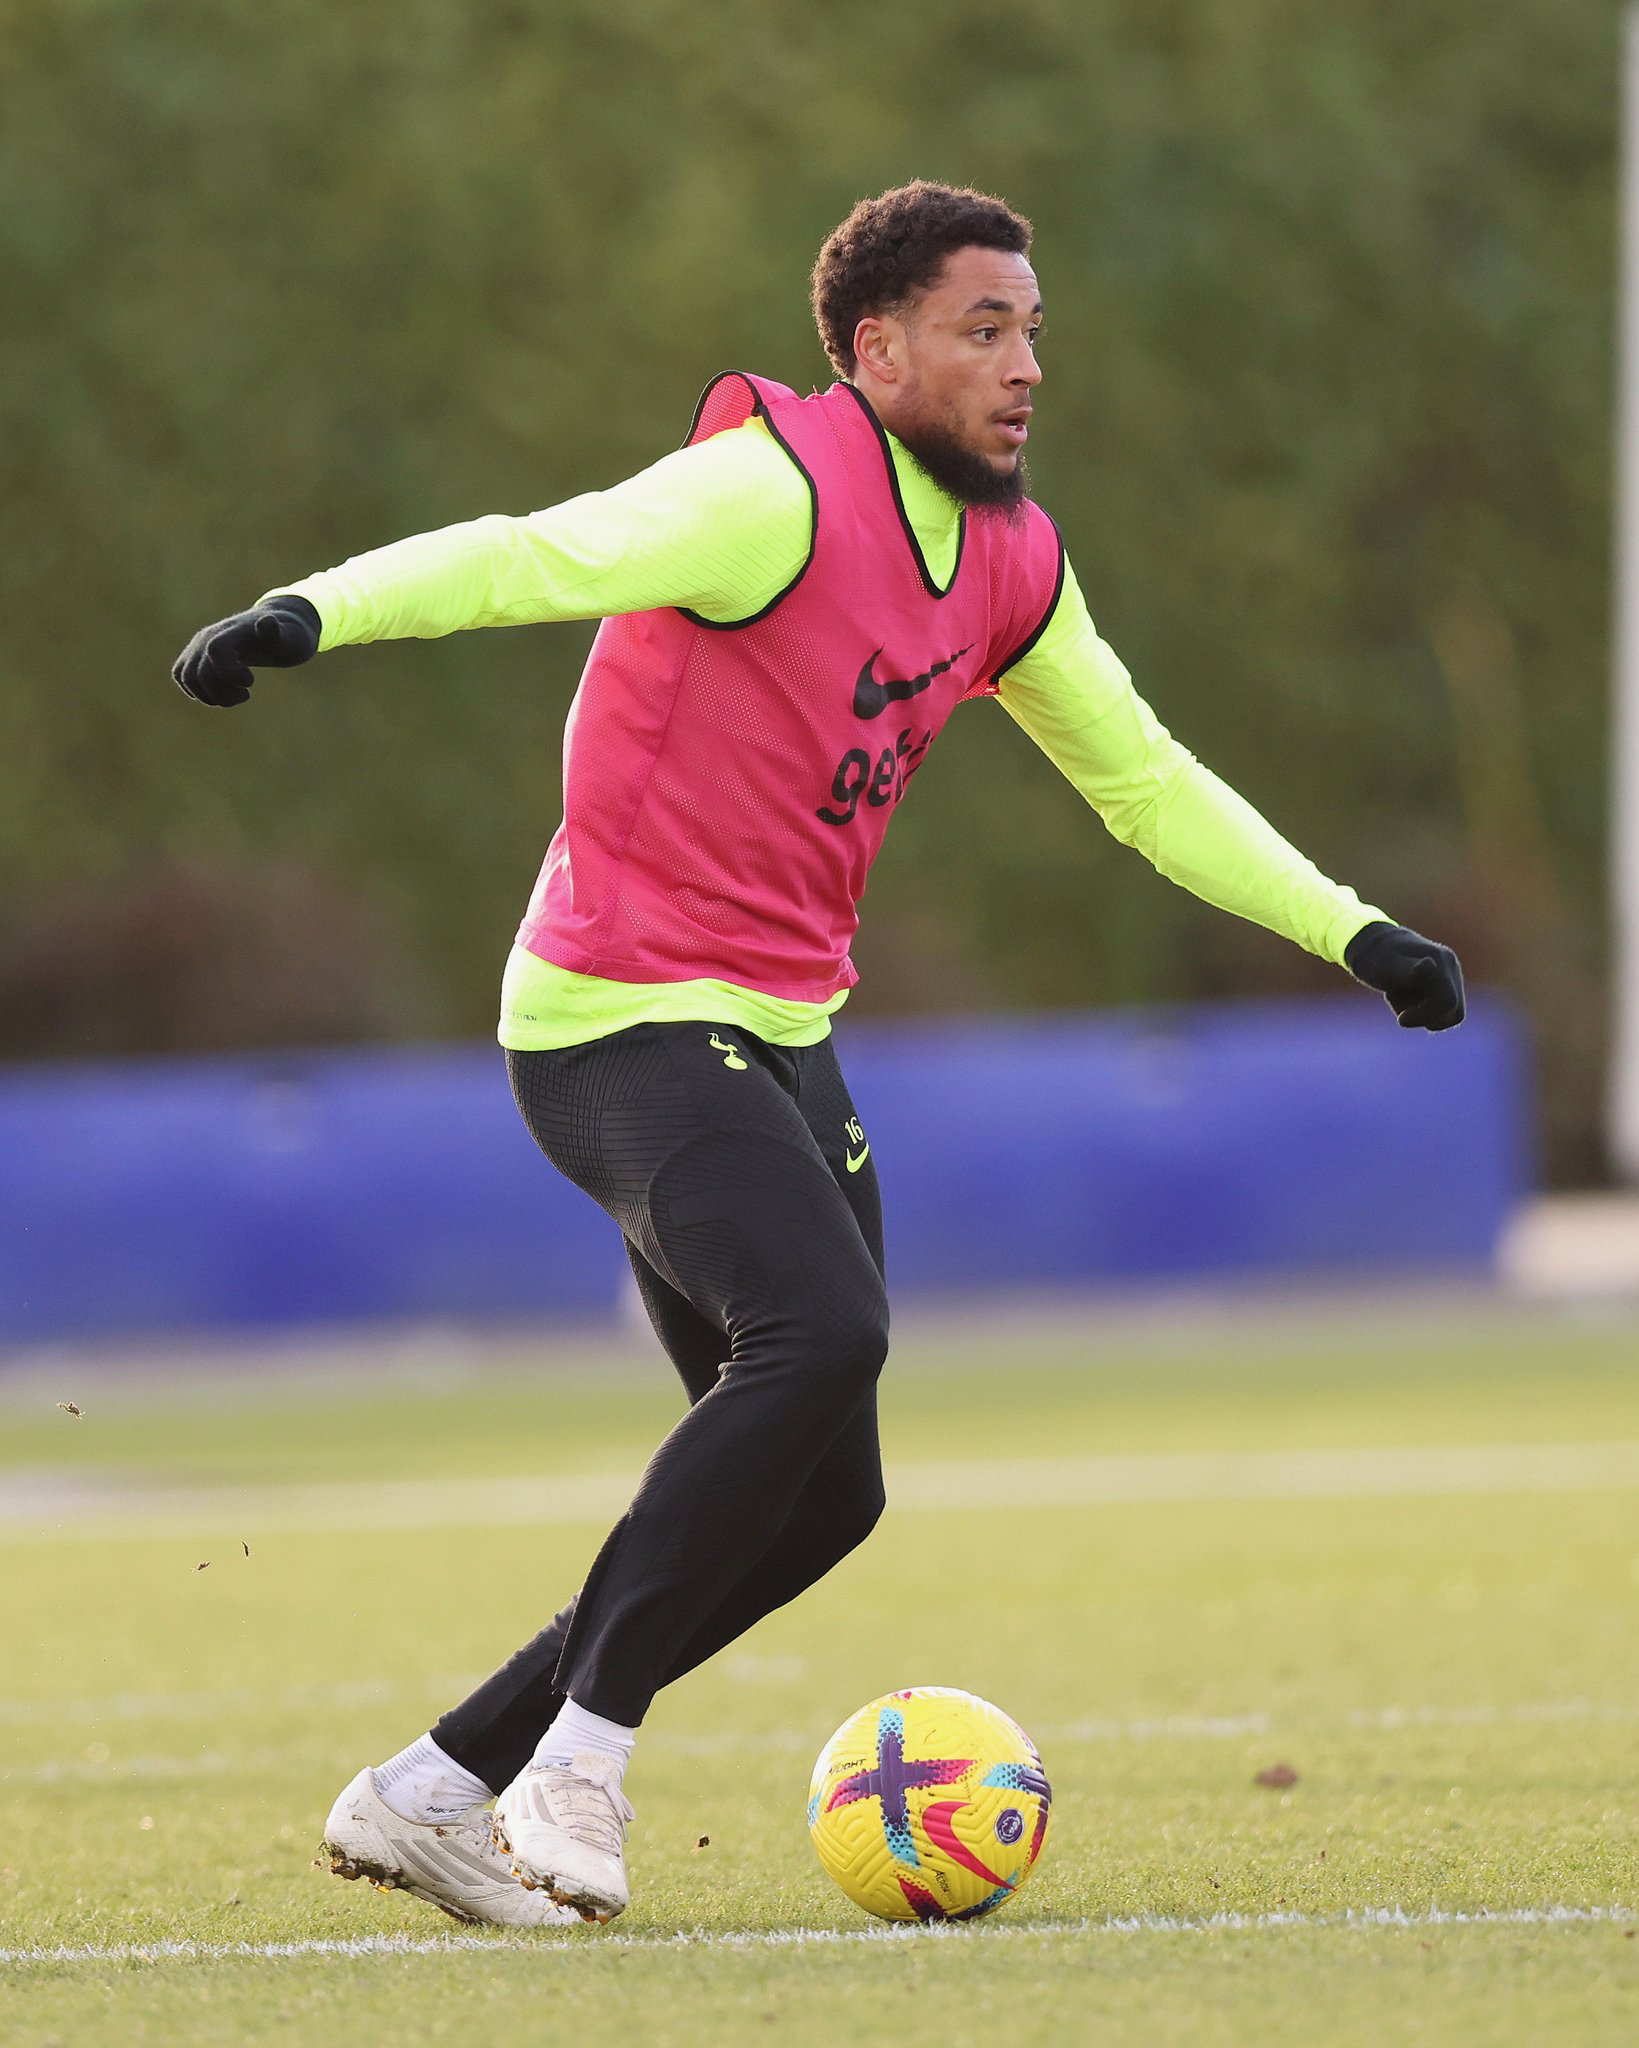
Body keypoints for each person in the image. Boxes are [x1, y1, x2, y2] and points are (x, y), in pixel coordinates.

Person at [172, 180, 1465, 1930]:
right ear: (874, 347)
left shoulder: (1014, 559)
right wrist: (303, 610)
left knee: (826, 1487)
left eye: (1032, 332)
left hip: (776, 1031)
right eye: (982, 330)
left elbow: (1145, 782)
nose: (1023, 367)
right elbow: (523, 555)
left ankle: (432, 1786)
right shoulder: (764, 491)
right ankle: (582, 1757)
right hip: (613, 1017)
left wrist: (1349, 931)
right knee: (825, 1332)